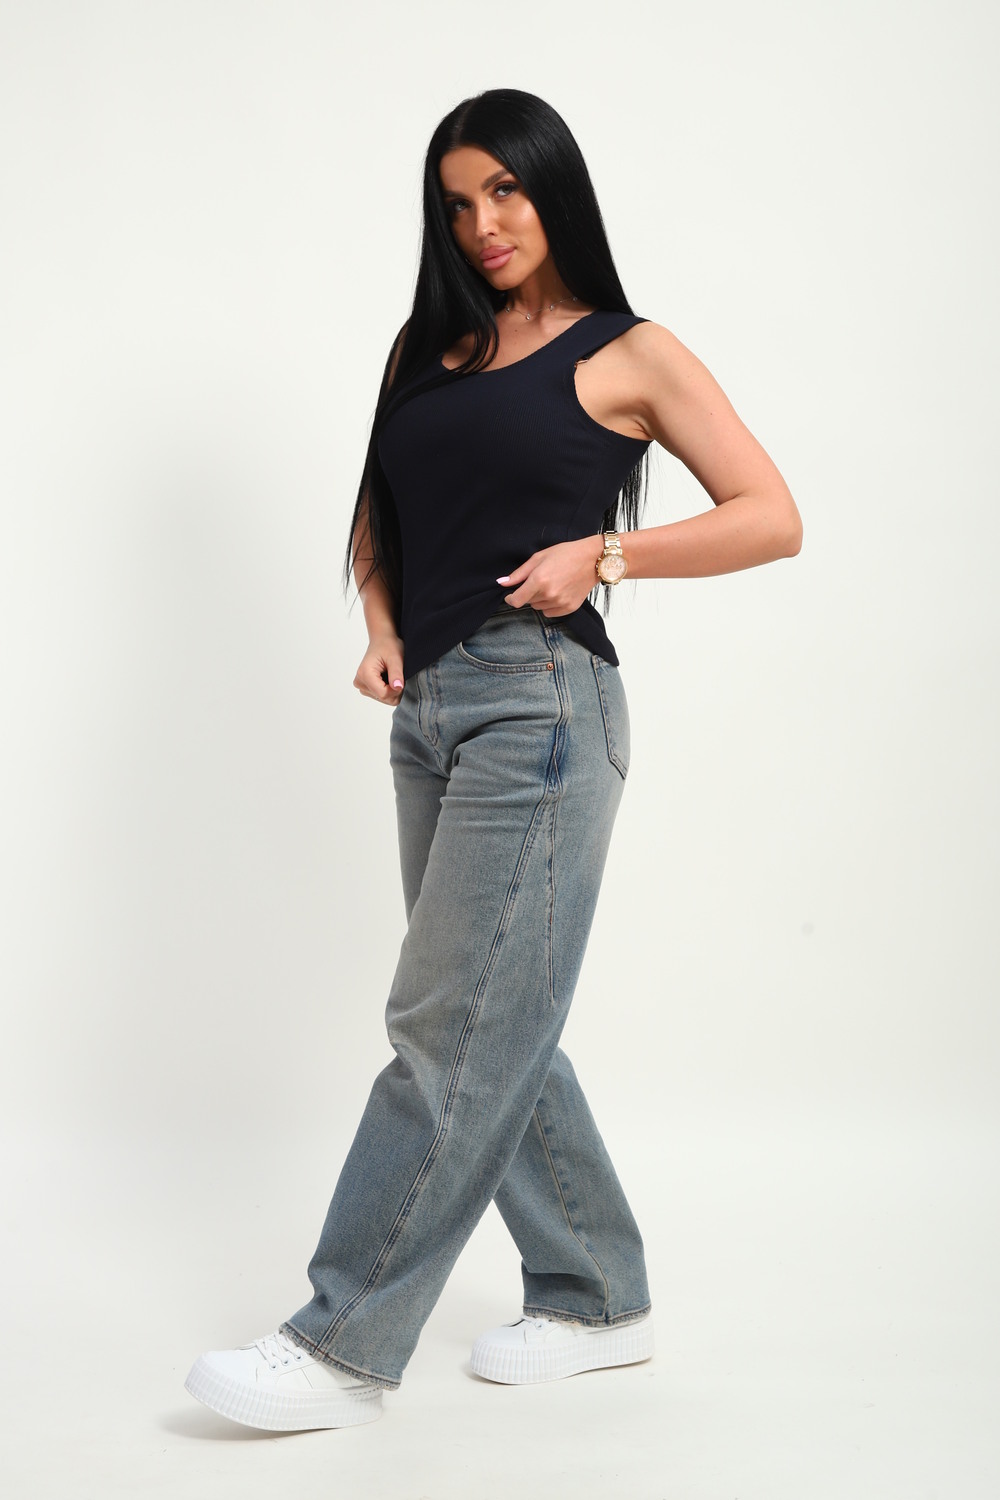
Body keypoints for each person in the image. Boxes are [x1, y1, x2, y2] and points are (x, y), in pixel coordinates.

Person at [184, 86, 802, 1433]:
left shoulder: (631, 352)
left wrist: (610, 553)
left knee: (449, 1024)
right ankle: (597, 1294)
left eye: (505, 191)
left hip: (543, 705)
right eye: (458, 203)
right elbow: (379, 509)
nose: (482, 224)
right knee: (495, 1016)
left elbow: (772, 515)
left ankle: (342, 1343)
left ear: (552, 187)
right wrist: (382, 628)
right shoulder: (431, 346)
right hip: (430, 713)